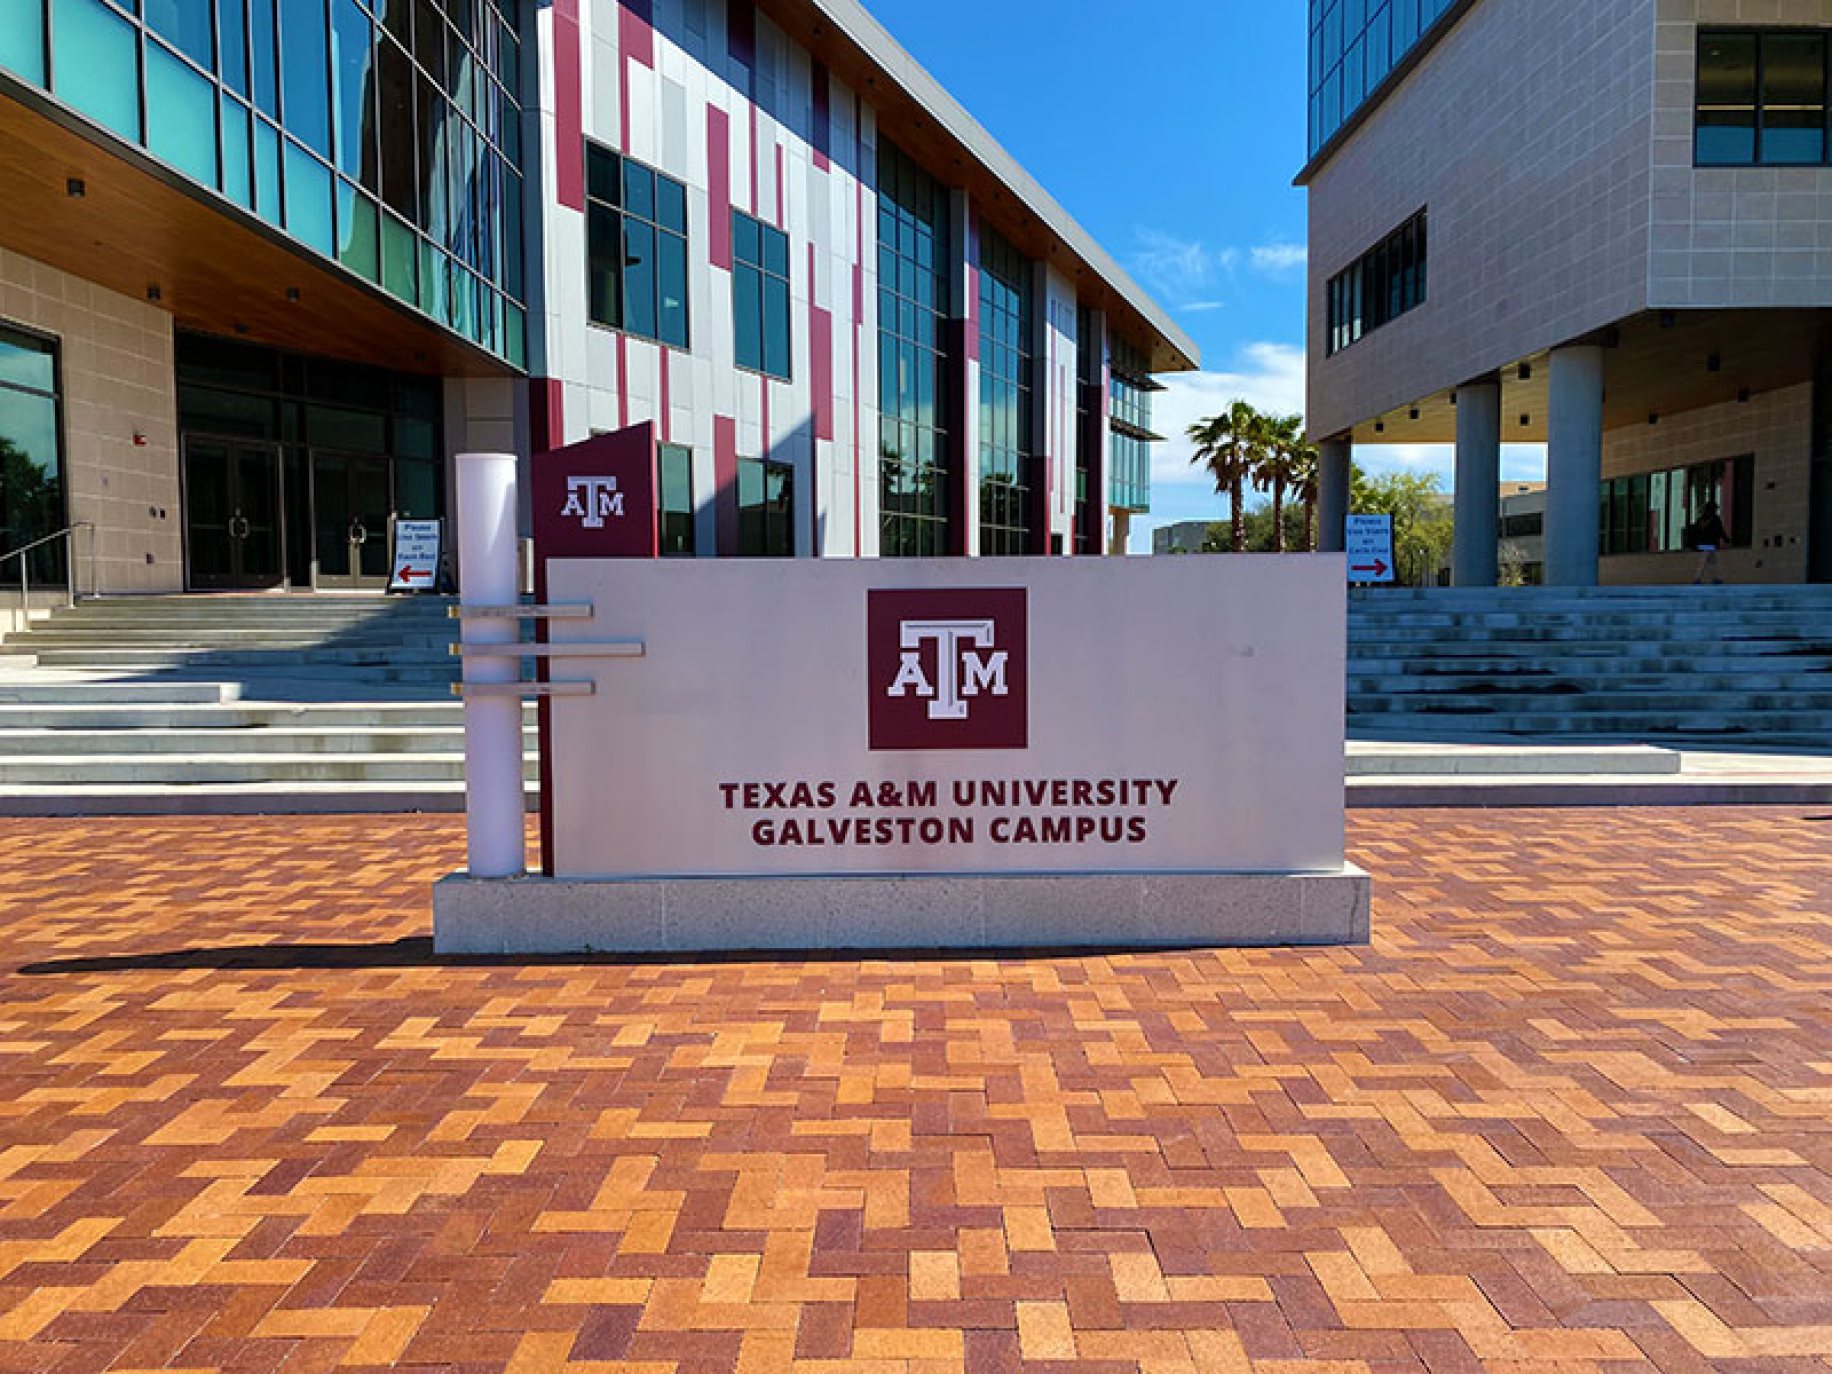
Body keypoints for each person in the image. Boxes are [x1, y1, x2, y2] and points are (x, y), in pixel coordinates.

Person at [1688, 501, 1730, 585]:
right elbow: (1720, 531)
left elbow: (1696, 532)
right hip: (1711, 543)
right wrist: (1727, 540)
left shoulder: (1701, 519)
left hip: (1702, 544)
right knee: (1705, 561)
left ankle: (1715, 578)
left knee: (1711, 561)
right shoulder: (1715, 519)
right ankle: (1698, 578)